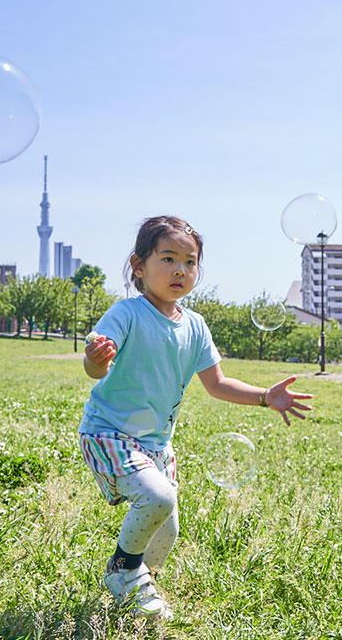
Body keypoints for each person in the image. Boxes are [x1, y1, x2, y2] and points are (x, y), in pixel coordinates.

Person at [79, 215, 312, 621]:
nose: (180, 270)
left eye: (190, 262)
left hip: (156, 445)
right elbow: (96, 366)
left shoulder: (195, 326)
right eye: (168, 258)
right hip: (110, 434)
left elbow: (217, 384)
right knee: (158, 498)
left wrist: (265, 397)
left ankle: (138, 589)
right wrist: (96, 359)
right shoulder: (127, 313)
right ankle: (123, 571)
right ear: (138, 266)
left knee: (167, 530)